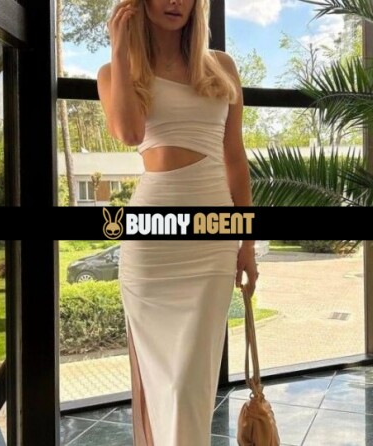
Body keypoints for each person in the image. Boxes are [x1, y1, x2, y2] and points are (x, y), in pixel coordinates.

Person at [97, 0, 258, 444]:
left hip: (212, 240)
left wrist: (246, 243)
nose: (175, 2)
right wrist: (120, 48)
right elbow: (129, 133)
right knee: (161, 384)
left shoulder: (221, 66)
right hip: (151, 245)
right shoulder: (114, 73)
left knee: (190, 385)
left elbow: (235, 159)